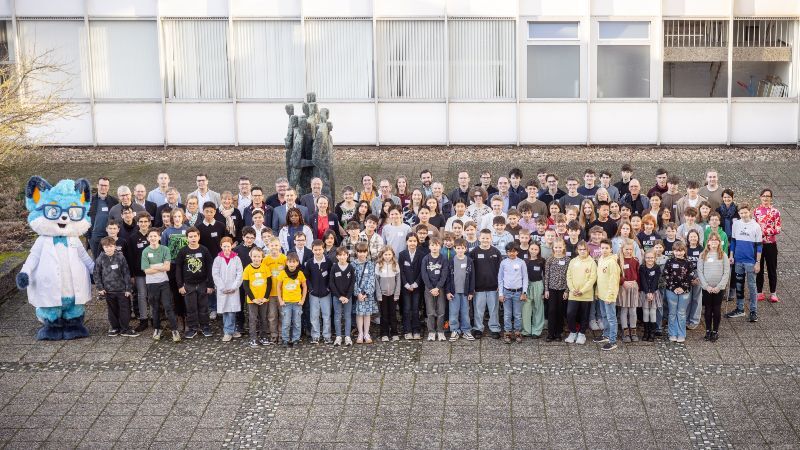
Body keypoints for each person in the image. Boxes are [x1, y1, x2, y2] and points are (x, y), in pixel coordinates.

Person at [726, 203, 762, 322]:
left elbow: (759, 246)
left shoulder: (756, 226)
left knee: (752, 286)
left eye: (745, 212)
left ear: (749, 212)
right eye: (741, 213)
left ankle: (753, 311)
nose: (743, 215)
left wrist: (758, 262)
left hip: (750, 261)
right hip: (738, 260)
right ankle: (740, 309)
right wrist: (731, 256)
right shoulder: (736, 224)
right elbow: (733, 242)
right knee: (739, 286)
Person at [94, 236, 137, 337]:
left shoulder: (120, 257)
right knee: (112, 310)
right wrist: (100, 288)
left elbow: (126, 273)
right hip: (108, 290)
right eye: (106, 247)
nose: (109, 248)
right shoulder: (100, 259)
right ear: (103, 247)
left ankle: (125, 328)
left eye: (111, 246)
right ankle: (115, 328)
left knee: (125, 310)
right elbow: (96, 274)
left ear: (115, 246)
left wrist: (128, 288)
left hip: (122, 290)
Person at [175, 227, 214, 339]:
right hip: (188, 284)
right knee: (191, 308)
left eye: (195, 236)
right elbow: (178, 269)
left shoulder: (204, 250)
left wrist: (210, 284)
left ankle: (205, 327)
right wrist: (180, 285)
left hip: (202, 283)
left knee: (204, 307)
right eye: (190, 236)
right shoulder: (183, 251)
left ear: (199, 237)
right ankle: (192, 328)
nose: (193, 238)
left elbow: (210, 267)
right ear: (187, 238)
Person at [697, 233, 730, 342]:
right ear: (708, 242)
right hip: (707, 288)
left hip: (718, 288)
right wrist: (706, 286)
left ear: (719, 242)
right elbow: (700, 271)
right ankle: (708, 330)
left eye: (716, 240)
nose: (714, 241)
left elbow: (726, 272)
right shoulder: (703, 255)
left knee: (716, 309)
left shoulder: (723, 255)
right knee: (708, 309)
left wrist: (719, 287)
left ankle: (715, 331)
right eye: (712, 240)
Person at [212, 237, 243, 342]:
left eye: (228, 246)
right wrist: (222, 287)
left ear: (232, 246)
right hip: (223, 289)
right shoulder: (217, 259)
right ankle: (229, 331)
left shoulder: (236, 259)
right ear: (221, 246)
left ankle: (229, 331)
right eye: (224, 246)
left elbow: (240, 274)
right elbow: (215, 274)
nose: (226, 248)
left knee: (232, 311)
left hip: (233, 289)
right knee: (225, 311)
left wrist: (234, 287)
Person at [565, 241, 596, 345]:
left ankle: (582, 334)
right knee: (570, 313)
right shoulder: (573, 261)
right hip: (573, 294)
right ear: (577, 250)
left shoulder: (592, 262)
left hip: (586, 295)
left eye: (584, 249)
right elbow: (568, 276)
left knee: (584, 315)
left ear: (588, 250)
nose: (582, 251)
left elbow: (592, 279)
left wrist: (582, 291)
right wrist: (572, 289)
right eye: (580, 249)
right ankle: (573, 332)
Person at [754, 188, 781, 303]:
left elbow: (778, 229)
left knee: (772, 268)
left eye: (768, 196)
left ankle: (773, 293)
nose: (765, 198)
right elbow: (753, 227)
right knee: (758, 269)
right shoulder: (756, 211)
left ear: (771, 198)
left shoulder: (775, 212)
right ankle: (759, 292)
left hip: (771, 244)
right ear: (760, 197)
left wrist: (764, 232)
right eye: (764, 196)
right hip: (758, 245)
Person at [663, 241, 693, 343]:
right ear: (673, 251)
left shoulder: (688, 262)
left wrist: (683, 288)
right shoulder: (669, 261)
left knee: (681, 313)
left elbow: (690, 276)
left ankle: (681, 334)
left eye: (680, 251)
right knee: (672, 313)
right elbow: (666, 275)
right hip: (671, 291)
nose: (678, 253)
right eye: (676, 251)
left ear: (684, 251)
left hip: (685, 291)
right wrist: (674, 288)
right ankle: (672, 333)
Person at [594, 239, 621, 350]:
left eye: (606, 248)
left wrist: (610, 296)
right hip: (601, 294)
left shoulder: (612, 262)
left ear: (611, 249)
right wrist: (597, 291)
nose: (604, 250)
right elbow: (599, 278)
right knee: (604, 316)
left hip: (609, 296)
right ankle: (606, 335)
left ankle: (613, 340)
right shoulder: (601, 259)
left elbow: (613, 281)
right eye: (602, 248)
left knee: (611, 318)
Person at [128, 212, 152, 332]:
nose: (143, 224)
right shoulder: (133, 238)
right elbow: (131, 257)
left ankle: (154, 318)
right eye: (141, 222)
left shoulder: (154, 236)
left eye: (145, 221)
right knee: (142, 296)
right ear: (137, 223)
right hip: (139, 273)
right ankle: (143, 319)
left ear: (149, 222)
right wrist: (132, 274)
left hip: (153, 272)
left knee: (153, 296)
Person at [446, 238, 475, 341]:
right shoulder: (451, 261)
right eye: (458, 248)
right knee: (453, 312)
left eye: (462, 248)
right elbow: (447, 278)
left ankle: (466, 330)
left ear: (466, 249)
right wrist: (448, 291)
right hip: (454, 292)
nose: (460, 250)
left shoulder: (469, 261)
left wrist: (471, 292)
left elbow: (472, 277)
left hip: (465, 292)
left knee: (465, 312)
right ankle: (454, 330)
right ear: (454, 248)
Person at [305, 239, 333, 344]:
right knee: (314, 316)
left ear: (323, 249)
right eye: (315, 250)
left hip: (326, 294)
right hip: (313, 294)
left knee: (326, 315)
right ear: (312, 250)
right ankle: (315, 335)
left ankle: (327, 335)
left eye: (320, 249)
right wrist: (310, 289)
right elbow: (306, 278)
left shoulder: (328, 261)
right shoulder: (309, 263)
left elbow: (331, 276)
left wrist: (328, 288)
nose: (318, 252)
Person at [498, 242, 527, 343]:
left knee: (517, 314)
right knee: (507, 314)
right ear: (506, 252)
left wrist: (524, 292)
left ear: (517, 252)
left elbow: (525, 278)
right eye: (509, 251)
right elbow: (500, 279)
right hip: (507, 292)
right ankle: (508, 332)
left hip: (518, 292)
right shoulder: (503, 263)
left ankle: (517, 332)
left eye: (514, 251)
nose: (511, 253)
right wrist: (500, 294)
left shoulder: (521, 262)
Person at [243, 246, 271, 347]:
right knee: (253, 319)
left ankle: (264, 336)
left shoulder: (265, 268)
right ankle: (253, 338)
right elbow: (246, 286)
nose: (256, 258)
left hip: (263, 299)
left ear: (262, 257)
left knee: (264, 318)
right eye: (254, 256)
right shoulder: (247, 269)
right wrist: (253, 298)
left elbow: (269, 284)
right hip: (252, 300)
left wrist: (265, 297)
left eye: (258, 256)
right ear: (250, 256)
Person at [276, 252, 307, 347]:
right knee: (286, 323)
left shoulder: (300, 274)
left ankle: (296, 339)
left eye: (294, 262)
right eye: (290, 262)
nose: (292, 264)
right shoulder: (282, 273)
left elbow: (305, 287)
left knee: (297, 323)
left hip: (297, 303)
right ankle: (285, 339)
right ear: (286, 263)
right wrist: (280, 300)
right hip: (286, 303)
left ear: (297, 263)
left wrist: (302, 300)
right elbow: (278, 287)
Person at [421, 237, 449, 341]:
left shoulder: (443, 259)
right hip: (429, 288)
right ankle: (431, 331)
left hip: (440, 288)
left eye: (436, 245)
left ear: (440, 246)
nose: (434, 247)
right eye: (432, 245)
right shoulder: (425, 259)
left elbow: (444, 275)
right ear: (429, 247)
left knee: (441, 311)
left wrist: (437, 287)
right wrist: (431, 288)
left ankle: (440, 331)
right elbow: (424, 274)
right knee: (430, 311)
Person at [399, 233, 424, 340]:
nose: (412, 243)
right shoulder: (402, 254)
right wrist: (406, 284)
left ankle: (416, 330)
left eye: (414, 241)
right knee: (406, 309)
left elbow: (422, 271)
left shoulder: (421, 254)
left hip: (417, 286)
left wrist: (416, 283)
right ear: (406, 242)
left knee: (415, 308)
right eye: (410, 241)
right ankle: (407, 330)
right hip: (406, 287)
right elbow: (401, 271)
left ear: (417, 242)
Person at [544, 239, 569, 342]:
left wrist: (567, 290)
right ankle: (550, 333)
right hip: (552, 289)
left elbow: (569, 276)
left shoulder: (567, 260)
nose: (558, 249)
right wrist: (546, 289)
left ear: (563, 247)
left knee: (560, 311)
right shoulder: (550, 260)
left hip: (562, 289)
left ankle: (558, 333)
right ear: (553, 248)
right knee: (551, 310)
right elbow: (547, 275)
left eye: (560, 247)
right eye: (556, 247)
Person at [329, 247, 355, 347]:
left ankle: (347, 336)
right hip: (337, 297)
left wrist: (347, 296)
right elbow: (331, 283)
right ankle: (338, 336)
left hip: (348, 297)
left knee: (348, 316)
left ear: (347, 256)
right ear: (337, 256)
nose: (342, 257)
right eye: (340, 255)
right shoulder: (334, 267)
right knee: (337, 316)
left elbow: (352, 283)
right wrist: (339, 296)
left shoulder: (350, 267)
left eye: (344, 255)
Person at [352, 243, 377, 344]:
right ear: (356, 252)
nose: (362, 254)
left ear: (367, 252)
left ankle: (366, 333)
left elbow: (372, 279)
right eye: (359, 252)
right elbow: (353, 280)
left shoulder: (370, 264)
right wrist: (358, 293)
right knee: (359, 314)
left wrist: (366, 292)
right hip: (358, 294)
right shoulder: (353, 264)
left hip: (367, 294)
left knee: (367, 314)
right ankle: (360, 333)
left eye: (364, 252)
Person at [375, 245, 401, 342]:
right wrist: (379, 295)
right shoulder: (378, 265)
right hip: (382, 295)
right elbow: (376, 281)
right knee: (384, 314)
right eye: (385, 254)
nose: (387, 256)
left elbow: (398, 280)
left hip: (393, 294)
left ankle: (394, 333)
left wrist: (397, 294)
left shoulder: (395, 264)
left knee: (393, 314)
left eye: (389, 254)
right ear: (382, 255)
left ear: (392, 255)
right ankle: (384, 333)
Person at [87, 177, 118, 256]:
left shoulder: (114, 201)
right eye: (101, 185)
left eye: (105, 185)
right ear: (97, 185)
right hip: (94, 236)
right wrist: (88, 235)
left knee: (111, 257)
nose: (103, 187)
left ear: (108, 187)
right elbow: (84, 217)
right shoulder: (90, 201)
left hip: (109, 235)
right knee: (97, 259)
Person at [618, 240, 641, 343]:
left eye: (630, 249)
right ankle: (625, 332)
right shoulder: (619, 260)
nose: (628, 251)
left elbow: (638, 275)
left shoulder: (635, 260)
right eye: (626, 249)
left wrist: (638, 288)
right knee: (624, 310)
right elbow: (616, 275)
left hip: (633, 287)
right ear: (622, 249)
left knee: (633, 310)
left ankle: (633, 331)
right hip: (624, 287)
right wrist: (623, 282)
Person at [264, 237, 287, 343]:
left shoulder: (284, 258)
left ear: (280, 246)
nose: (274, 247)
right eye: (272, 245)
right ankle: (274, 334)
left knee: (283, 314)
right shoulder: (266, 260)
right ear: (268, 246)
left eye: (276, 245)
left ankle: (282, 334)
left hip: (282, 293)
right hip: (271, 293)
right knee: (272, 315)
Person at [639, 251, 661, 342]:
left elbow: (655, 281)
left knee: (652, 311)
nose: (650, 259)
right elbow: (643, 280)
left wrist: (651, 292)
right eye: (648, 257)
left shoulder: (657, 268)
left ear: (655, 258)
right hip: (644, 292)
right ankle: (646, 332)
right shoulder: (642, 267)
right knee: (645, 311)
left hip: (654, 292)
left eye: (652, 257)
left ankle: (652, 332)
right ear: (644, 258)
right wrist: (647, 292)